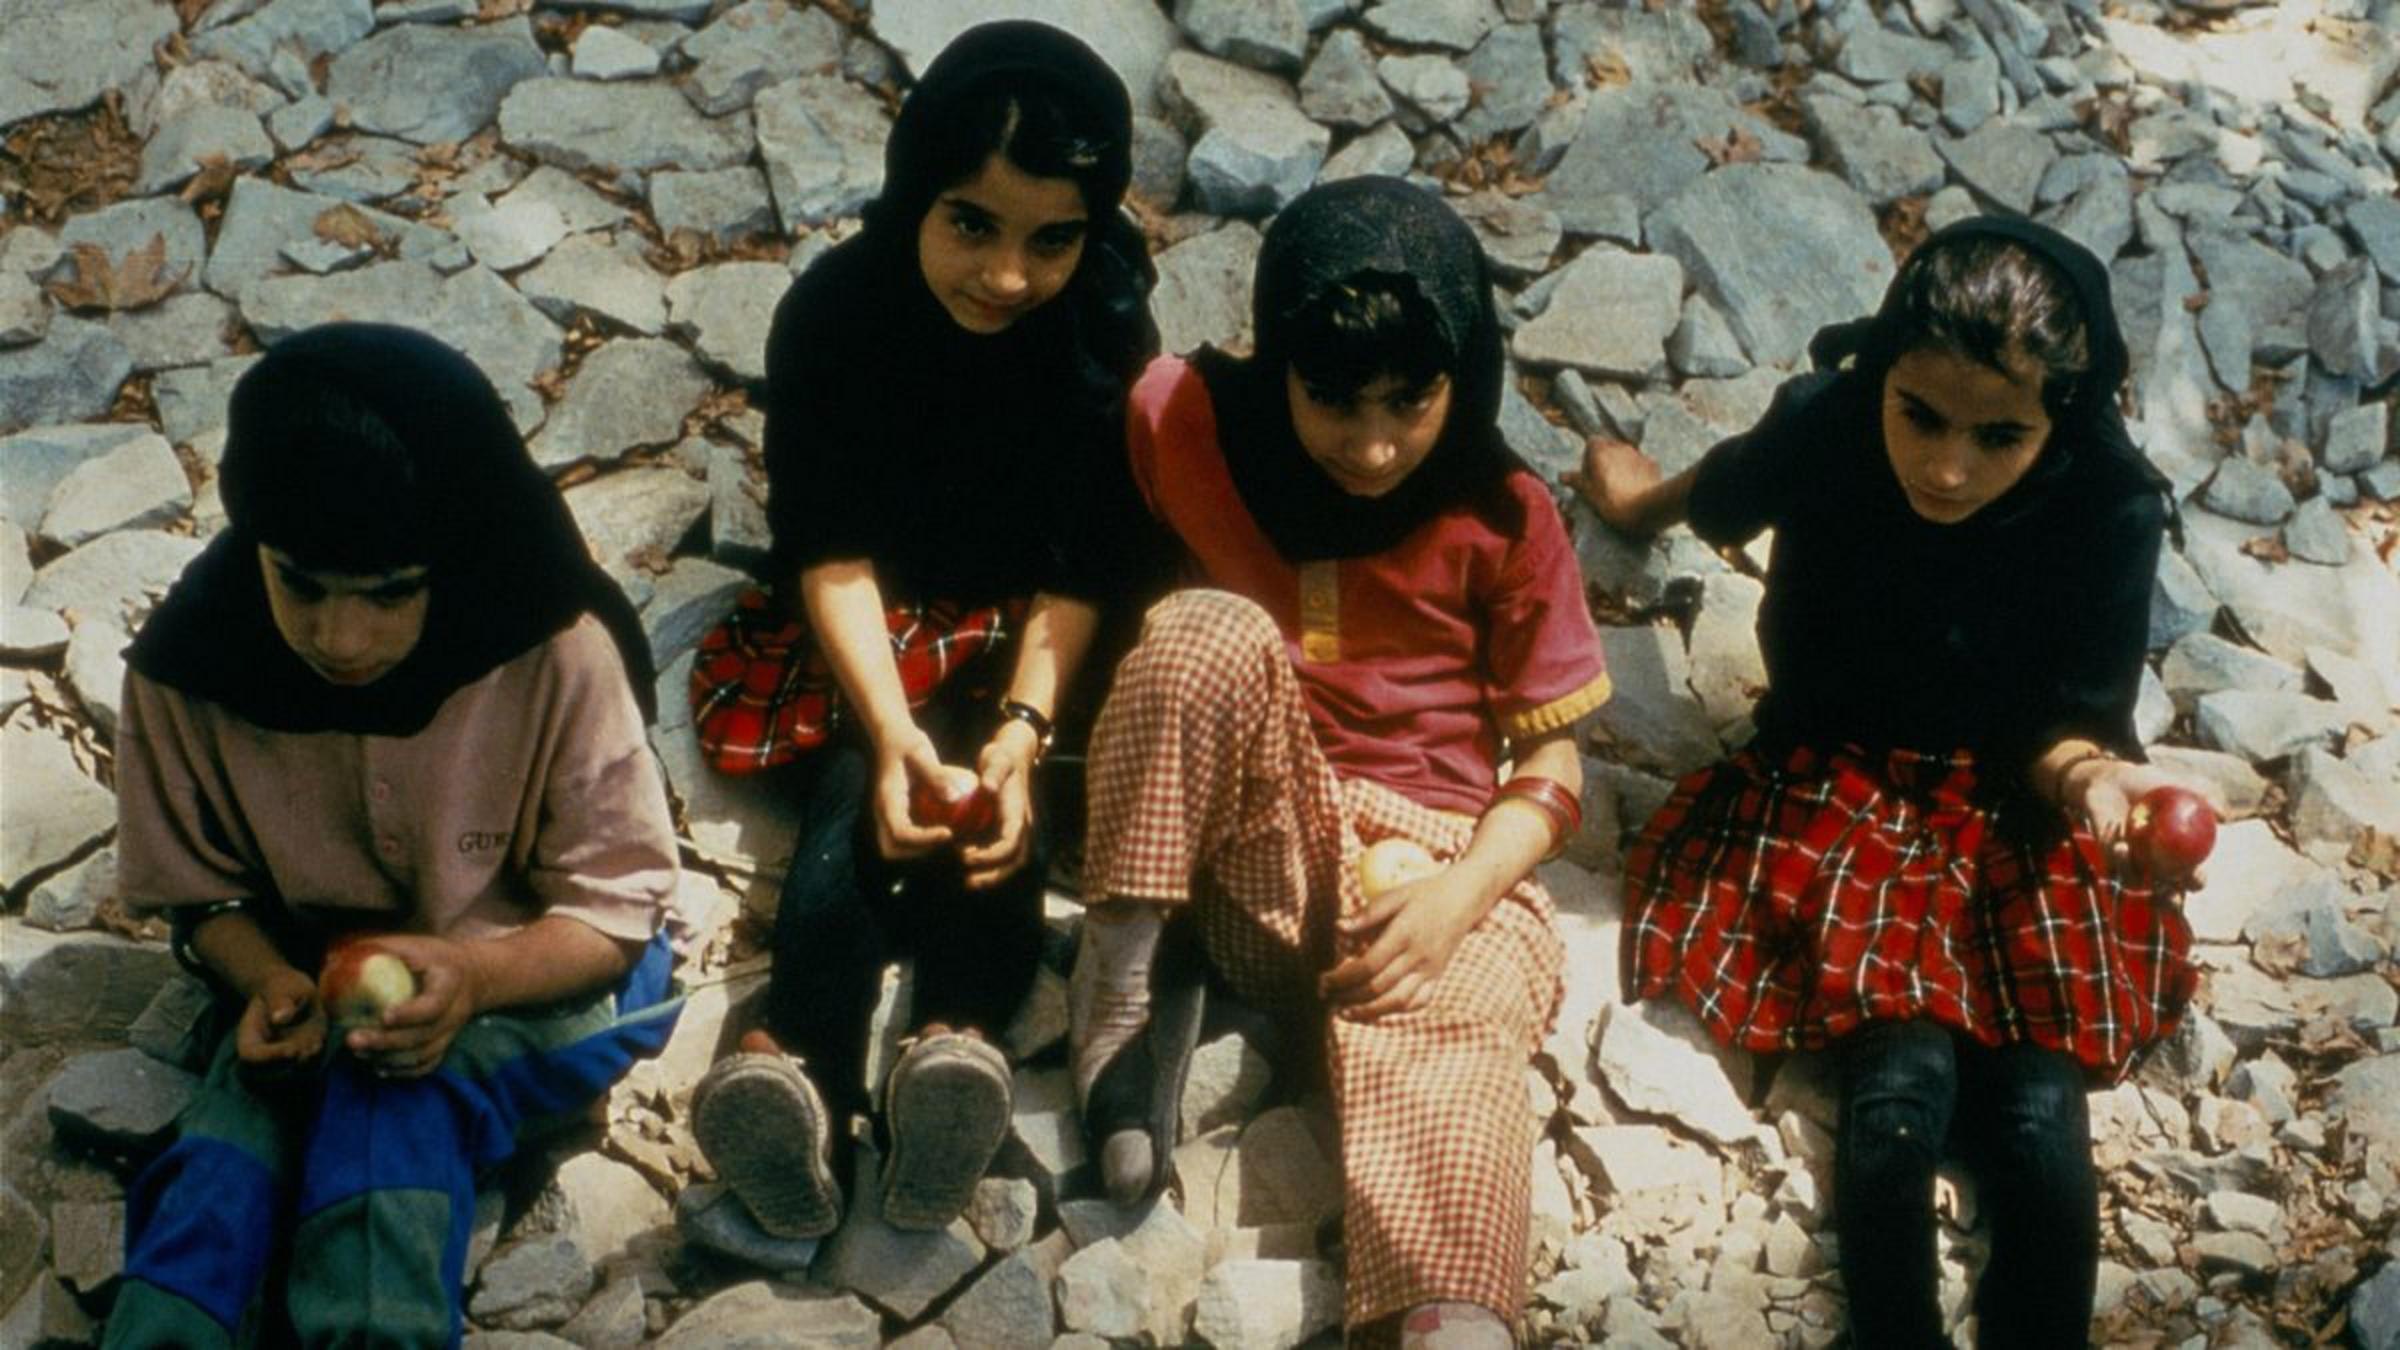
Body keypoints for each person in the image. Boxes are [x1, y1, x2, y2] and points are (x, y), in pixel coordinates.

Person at [1574, 216, 2200, 1349]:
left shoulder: (2110, 502)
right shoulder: (1827, 422)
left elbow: (2073, 727)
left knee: (2038, 1099)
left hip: (2014, 794)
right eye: (1920, 416)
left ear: (2061, 419)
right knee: (1897, 1074)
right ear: (1883, 379)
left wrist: (2095, 784)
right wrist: (1637, 504)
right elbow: (1720, 488)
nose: (1947, 466)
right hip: (1838, 769)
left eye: (1999, 436)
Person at [1066, 176, 1611, 1348]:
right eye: (1331, 402)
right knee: (1207, 631)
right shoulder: (1186, 419)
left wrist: (1455, 903)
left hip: (1436, 867)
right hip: (1254, 843)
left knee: (1457, 1018)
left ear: (1464, 374)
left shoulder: (1508, 516)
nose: (1372, 447)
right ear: (1280, 369)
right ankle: (1114, 985)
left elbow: (1554, 765)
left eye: (1410, 403)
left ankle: (1445, 1317)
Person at [101, 323, 682, 1350]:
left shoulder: (549, 646)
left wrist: (473, 976)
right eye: (301, 584)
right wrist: (265, 980)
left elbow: (615, 910)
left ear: (447, 560)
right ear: (257, 551)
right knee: (240, 1128)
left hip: (545, 968)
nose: (341, 639)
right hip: (319, 975)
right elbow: (205, 901)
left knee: (393, 1100)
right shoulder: (193, 667)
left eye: (391, 593)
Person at [685, 19, 1158, 1238]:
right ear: (916, 195)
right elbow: (826, 547)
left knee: (1002, 814)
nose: (1008, 276)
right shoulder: (837, 317)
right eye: (972, 226)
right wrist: (893, 727)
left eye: (1051, 238)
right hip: (872, 621)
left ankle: (932, 1045)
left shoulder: (1105, 326)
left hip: (1026, 634)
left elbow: (1085, 560)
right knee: (869, 781)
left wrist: (1020, 727)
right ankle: (819, 1064)